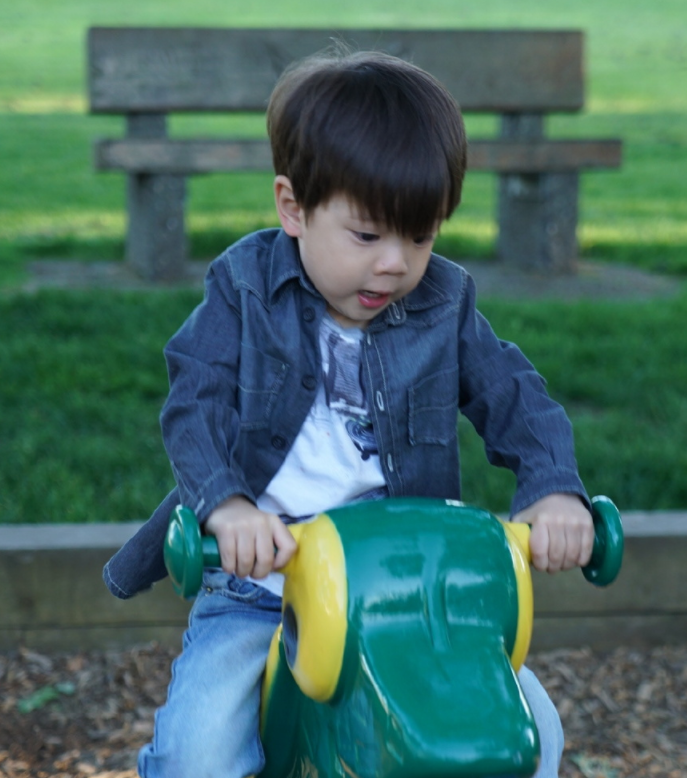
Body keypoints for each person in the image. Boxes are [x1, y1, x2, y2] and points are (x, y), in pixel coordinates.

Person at [103, 48, 594, 778]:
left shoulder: (443, 303)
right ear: (293, 207)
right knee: (198, 753)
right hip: (263, 587)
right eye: (366, 236)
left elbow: (515, 392)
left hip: (403, 592)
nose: (395, 263)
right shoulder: (244, 288)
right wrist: (228, 509)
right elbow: (194, 400)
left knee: (532, 733)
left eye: (420, 235)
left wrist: (553, 490)